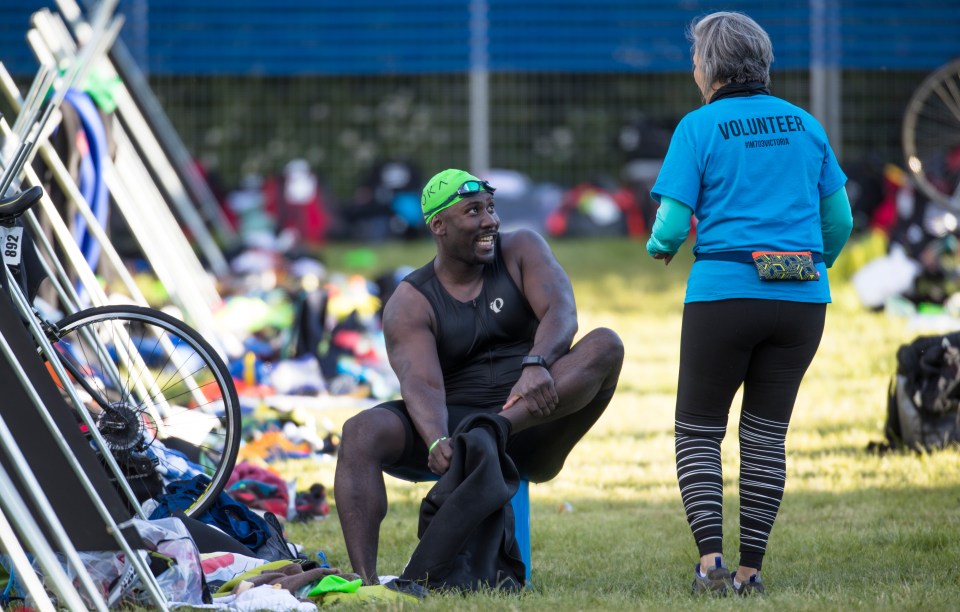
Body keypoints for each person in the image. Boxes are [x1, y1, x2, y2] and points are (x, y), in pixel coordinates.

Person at [645, 12, 853, 597]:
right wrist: (811, 267)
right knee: (766, 436)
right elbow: (838, 220)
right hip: (804, 299)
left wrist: (659, 248)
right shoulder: (807, 125)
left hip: (725, 293)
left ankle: (711, 565)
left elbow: (671, 222)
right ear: (762, 63)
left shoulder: (698, 126)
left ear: (707, 67)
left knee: (699, 429)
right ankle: (750, 572)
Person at [334, 168, 624, 585]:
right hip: (461, 436)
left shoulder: (521, 248)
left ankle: (495, 428)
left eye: (491, 208)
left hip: (532, 420)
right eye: (474, 212)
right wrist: (436, 437)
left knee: (605, 344)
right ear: (439, 225)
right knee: (360, 432)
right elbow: (421, 384)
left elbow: (562, 311)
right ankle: (365, 582)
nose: (490, 220)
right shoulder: (410, 301)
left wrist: (536, 363)